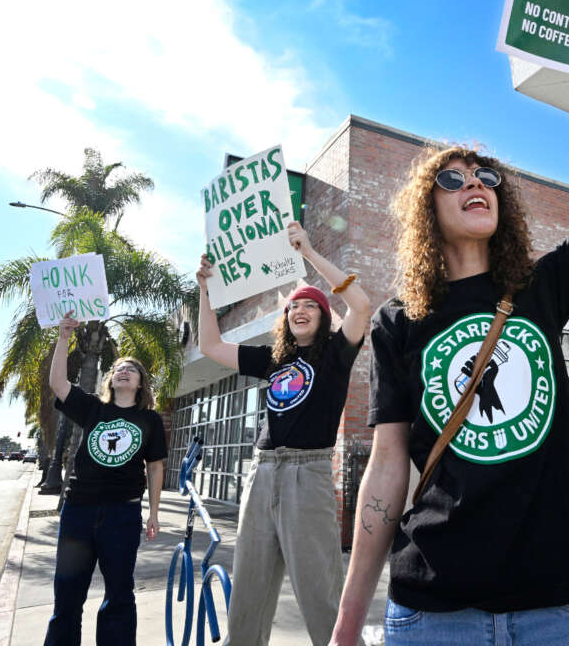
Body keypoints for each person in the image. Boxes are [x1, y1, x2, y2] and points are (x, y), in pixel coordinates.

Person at [329, 0, 569, 646]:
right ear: (424, 211)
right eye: (453, 178)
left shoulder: (544, 288)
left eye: (486, 176)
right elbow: (387, 469)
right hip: (433, 609)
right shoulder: (397, 322)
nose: (474, 184)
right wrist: (349, 621)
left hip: (562, 606)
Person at [195, 220, 372, 646]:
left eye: (309, 305)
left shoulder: (334, 354)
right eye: (293, 306)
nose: (300, 310)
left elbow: (362, 305)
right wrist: (205, 290)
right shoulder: (273, 360)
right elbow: (210, 346)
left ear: (323, 315)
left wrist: (308, 253)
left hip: (306, 475)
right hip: (262, 474)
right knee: (249, 594)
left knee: (320, 594)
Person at [44, 315, 167, 646]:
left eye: (131, 369)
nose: (123, 371)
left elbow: (155, 467)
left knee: (119, 596)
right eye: (117, 369)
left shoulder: (149, 419)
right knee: (67, 595)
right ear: (110, 380)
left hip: (122, 514)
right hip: (78, 512)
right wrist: (64, 336)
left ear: (140, 383)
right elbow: (58, 383)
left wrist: (153, 513)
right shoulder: (93, 409)